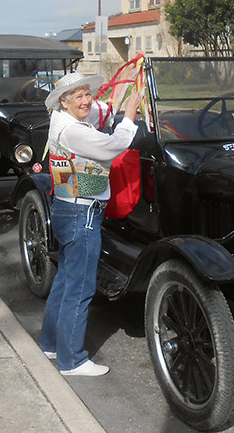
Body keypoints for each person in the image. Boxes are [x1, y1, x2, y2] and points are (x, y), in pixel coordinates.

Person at [38, 72, 141, 376]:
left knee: (65, 281)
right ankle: (72, 360)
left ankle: (50, 344)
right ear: (64, 102)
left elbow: (96, 112)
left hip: (68, 208)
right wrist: (130, 117)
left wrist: (118, 96)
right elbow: (113, 146)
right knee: (81, 287)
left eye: (87, 94)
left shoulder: (62, 120)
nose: (85, 101)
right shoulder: (74, 132)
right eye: (78, 96)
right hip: (82, 213)